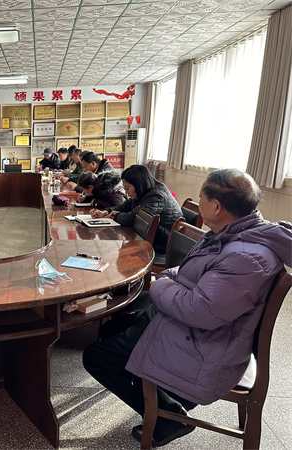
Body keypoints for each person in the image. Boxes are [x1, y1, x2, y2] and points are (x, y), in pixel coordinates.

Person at [83, 169, 292, 447]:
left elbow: (199, 311)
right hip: (189, 326)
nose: (198, 202)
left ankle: (169, 417)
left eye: (202, 197)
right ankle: (157, 393)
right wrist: (169, 280)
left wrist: (160, 284)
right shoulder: (232, 234)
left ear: (216, 207)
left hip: (203, 343)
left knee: (96, 357)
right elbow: (186, 272)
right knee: (114, 326)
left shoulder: (245, 257)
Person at [91, 165, 182, 253]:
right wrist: (106, 212)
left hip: (164, 242)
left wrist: (116, 216)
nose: (126, 192)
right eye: (124, 188)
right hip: (151, 236)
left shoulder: (157, 196)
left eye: (127, 188)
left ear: (139, 184)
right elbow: (125, 206)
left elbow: (135, 219)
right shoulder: (144, 190)